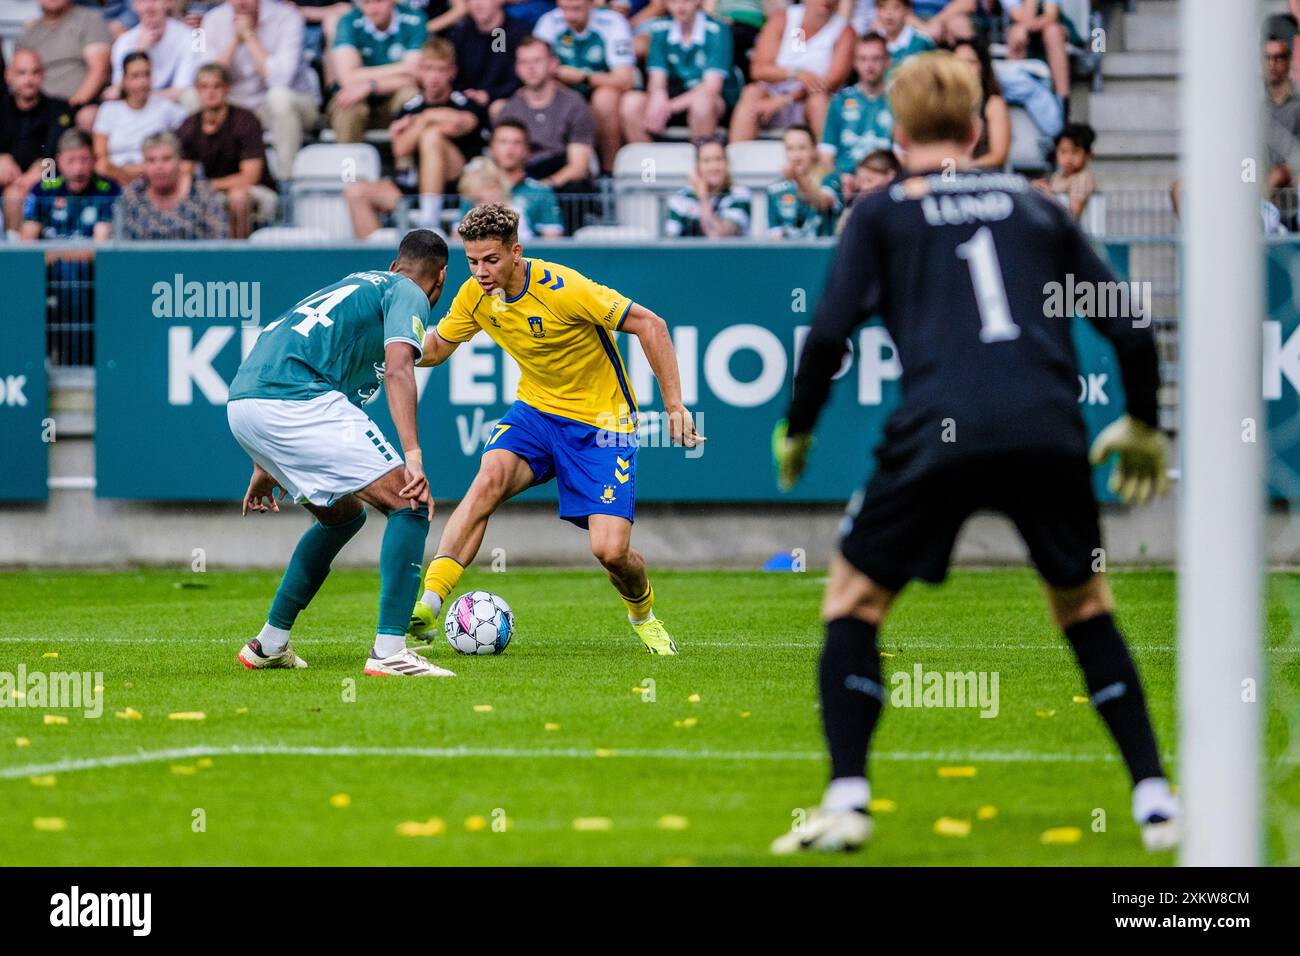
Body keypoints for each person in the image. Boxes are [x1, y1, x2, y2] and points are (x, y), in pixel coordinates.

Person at [769, 51, 1177, 855]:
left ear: (897, 125)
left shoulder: (882, 212)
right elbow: (1129, 327)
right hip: (1046, 426)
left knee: (853, 602)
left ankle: (848, 799)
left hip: (938, 426)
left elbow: (825, 337)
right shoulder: (1034, 204)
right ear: (977, 126)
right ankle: (1157, 802)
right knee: (1086, 608)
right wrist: (1142, 422)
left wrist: (801, 425)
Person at [408, 202, 704, 655]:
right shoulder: (473, 296)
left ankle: (642, 615)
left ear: (516, 252)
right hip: (536, 412)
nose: (481, 271)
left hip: (601, 423)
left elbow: (651, 324)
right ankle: (428, 606)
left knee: (611, 552)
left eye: (491, 260)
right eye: (472, 261)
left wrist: (674, 404)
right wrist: (392, 350)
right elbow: (435, 348)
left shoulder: (565, 289)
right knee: (486, 482)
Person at [228, 230, 454, 679]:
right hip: (295, 400)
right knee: (409, 503)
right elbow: (399, 367)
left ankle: (269, 644)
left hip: (244, 403)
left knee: (343, 515)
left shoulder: (361, 287)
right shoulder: (410, 292)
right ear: (440, 279)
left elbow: (285, 345)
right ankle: (390, 651)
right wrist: (413, 453)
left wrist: (265, 459)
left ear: (394, 263)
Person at [344, 38, 486, 237]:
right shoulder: (410, 107)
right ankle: (375, 263)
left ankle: (429, 221)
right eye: (428, 69)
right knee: (356, 193)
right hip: (414, 185)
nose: (434, 77)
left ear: (452, 72)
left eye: (441, 70)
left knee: (432, 136)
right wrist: (428, 119)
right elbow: (401, 148)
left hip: (457, 186)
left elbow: (459, 124)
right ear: (420, 70)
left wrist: (422, 120)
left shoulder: (465, 101)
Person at [198, 0, 322, 181]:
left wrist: (249, 36)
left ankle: (287, 181)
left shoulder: (287, 17)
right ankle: (203, 181)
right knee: (193, 97)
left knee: (278, 97)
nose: (240, 2)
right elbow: (206, 77)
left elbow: (279, 79)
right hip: (236, 105)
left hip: (290, 103)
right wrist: (234, 40)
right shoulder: (212, 19)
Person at [728, 0, 854, 143]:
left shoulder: (844, 31)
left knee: (818, 101)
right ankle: (738, 154)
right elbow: (759, 70)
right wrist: (797, 74)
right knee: (752, 93)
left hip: (809, 100)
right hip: (774, 94)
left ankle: (828, 159)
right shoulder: (783, 19)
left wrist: (785, 99)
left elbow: (831, 82)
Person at [533, 0, 636, 173]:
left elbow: (625, 80)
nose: (569, 16)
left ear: (592, 4)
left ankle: (609, 171)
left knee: (605, 98)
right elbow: (536, 69)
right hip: (562, 92)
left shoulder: (613, 22)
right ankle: (552, 165)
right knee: (545, 90)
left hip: (600, 91)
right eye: (564, 9)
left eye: (576, 9)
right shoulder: (548, 22)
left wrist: (582, 77)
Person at [177, 63, 277, 238]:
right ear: (197, 91)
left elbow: (250, 177)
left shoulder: (245, 121)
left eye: (217, 86)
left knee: (237, 197)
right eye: (204, 87)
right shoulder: (189, 125)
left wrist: (209, 186)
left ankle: (237, 256)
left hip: (257, 190)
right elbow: (184, 172)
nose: (210, 92)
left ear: (227, 89)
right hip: (213, 190)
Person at [622, 0, 740, 142]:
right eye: (673, 1)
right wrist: (658, 96)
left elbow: (711, 87)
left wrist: (668, 108)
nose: (680, 6)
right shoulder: (660, 28)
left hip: (711, 101)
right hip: (673, 95)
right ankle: (647, 162)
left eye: (685, 1)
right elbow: (657, 79)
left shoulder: (718, 29)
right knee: (631, 103)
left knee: (702, 103)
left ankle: (703, 158)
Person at [495, 38, 596, 200]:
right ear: (517, 68)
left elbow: (578, 167)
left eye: (537, 61)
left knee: (575, 187)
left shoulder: (574, 103)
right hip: (523, 174)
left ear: (553, 64)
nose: (530, 68)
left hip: (561, 178)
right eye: (524, 62)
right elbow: (503, 160)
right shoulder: (509, 110)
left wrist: (542, 188)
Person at [327, 0, 424, 143]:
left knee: (411, 95)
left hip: (392, 100)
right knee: (346, 103)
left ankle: (405, 163)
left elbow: (417, 75)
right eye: (367, 2)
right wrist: (402, 68)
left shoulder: (414, 19)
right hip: (358, 100)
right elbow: (348, 79)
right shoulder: (348, 21)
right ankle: (346, 163)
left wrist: (370, 85)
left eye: (378, 1)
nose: (373, 8)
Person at [0, 50, 75, 231]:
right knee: (13, 194)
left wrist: (43, 169)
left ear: (43, 75)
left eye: (34, 72)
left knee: (17, 194)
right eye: (22, 73)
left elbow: (65, 152)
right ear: (8, 75)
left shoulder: (59, 109)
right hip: (8, 183)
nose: (29, 79)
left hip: (50, 181)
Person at [454, 120, 564, 236]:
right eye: (503, 142)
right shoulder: (476, 188)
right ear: (491, 148)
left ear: (527, 150)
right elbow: (457, 237)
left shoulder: (541, 191)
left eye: (517, 143)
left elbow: (553, 239)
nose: (510, 148)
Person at [93, 52, 188, 185]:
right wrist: (126, 174)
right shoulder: (108, 110)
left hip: (155, 175)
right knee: (101, 167)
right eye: (135, 76)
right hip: (116, 177)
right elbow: (100, 156)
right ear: (124, 80)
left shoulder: (167, 109)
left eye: (146, 74)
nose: (142, 81)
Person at [16, 0, 112, 130]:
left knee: (88, 117)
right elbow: (16, 75)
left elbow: (99, 70)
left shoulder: (89, 20)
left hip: (75, 107)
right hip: (37, 109)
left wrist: (74, 105)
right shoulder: (29, 31)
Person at [118, 130, 230, 238]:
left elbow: (220, 240)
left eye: (166, 159)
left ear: (179, 162)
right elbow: (116, 242)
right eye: (151, 160)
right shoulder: (132, 196)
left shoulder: (202, 193)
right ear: (143, 165)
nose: (159, 167)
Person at [818, 33, 893, 192]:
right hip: (847, 184)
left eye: (876, 58)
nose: (869, 65)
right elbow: (826, 156)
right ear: (854, 62)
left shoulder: (899, 102)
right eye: (863, 59)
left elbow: (904, 156)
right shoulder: (840, 101)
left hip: (886, 185)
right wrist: (840, 178)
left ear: (888, 61)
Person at [21, 128, 119, 240]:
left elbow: (105, 246)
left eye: (84, 159)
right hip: (47, 256)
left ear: (94, 160)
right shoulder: (43, 190)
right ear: (59, 162)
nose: (78, 169)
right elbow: (27, 241)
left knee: (103, 230)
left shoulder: (109, 191)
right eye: (70, 160)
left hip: (95, 256)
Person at [448, 0, 533, 114]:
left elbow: (522, 77)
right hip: (465, 103)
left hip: (506, 101)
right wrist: (467, 93)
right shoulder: (461, 33)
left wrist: (490, 95)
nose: (478, 4)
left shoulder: (517, 33)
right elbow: (453, 72)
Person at [107, 0, 200, 102]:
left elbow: (184, 89)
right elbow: (119, 89)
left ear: (167, 2)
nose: (148, 7)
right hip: (136, 108)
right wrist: (139, 52)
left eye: (154, 0)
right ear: (134, 6)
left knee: (192, 99)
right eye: (142, 2)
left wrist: (143, 97)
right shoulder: (123, 42)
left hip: (174, 106)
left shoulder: (190, 36)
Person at [663, 135, 751, 237]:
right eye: (706, 161)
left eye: (719, 159)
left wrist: (703, 198)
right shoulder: (681, 198)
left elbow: (718, 236)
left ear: (727, 163)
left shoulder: (739, 195)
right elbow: (670, 240)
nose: (714, 167)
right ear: (697, 167)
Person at [766, 123, 841, 238]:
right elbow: (775, 236)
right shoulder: (775, 189)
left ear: (814, 150)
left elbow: (822, 202)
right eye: (790, 149)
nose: (796, 156)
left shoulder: (831, 178)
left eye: (802, 148)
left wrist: (798, 178)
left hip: (824, 253)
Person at [951, 37, 1008, 170]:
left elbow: (998, 155)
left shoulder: (993, 104)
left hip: (983, 179)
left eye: (970, 62)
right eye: (957, 62)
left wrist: (966, 168)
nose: (964, 68)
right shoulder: (944, 105)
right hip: (949, 177)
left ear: (982, 66)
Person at [1033, 121, 1095, 220]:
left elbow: (1073, 215)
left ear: (1088, 154)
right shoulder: (1059, 175)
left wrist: (1050, 197)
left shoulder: (1081, 179)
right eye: (1063, 152)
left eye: (1075, 151)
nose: (1068, 158)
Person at [873, 0, 935, 68]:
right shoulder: (872, 42)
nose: (889, 13)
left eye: (896, 7)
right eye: (883, 7)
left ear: (907, 10)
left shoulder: (922, 42)